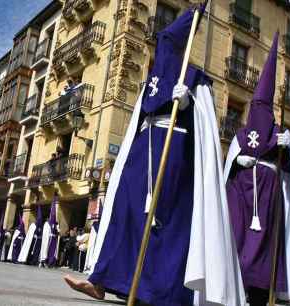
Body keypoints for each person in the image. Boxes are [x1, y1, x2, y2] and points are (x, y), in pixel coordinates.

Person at [64, 6, 245, 306]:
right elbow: (140, 116)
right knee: (125, 212)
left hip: (176, 156)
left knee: (167, 224)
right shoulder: (152, 81)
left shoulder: (195, 79)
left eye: (168, 46)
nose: (162, 51)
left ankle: (160, 292)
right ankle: (102, 281)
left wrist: (189, 103)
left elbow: (205, 125)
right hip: (142, 154)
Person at [224, 32, 290, 305]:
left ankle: (259, 294)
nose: (258, 113)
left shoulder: (279, 134)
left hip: (270, 199)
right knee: (238, 238)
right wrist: (235, 163)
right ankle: (235, 288)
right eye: (255, 107)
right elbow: (227, 168)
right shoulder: (241, 135)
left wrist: (288, 148)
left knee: (265, 246)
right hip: (241, 195)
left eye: (263, 108)